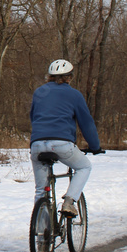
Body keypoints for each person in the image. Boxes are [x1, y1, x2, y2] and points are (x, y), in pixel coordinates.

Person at [29, 59, 102, 217]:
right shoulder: (74, 95)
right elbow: (86, 123)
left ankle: (41, 235)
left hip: (37, 144)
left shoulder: (39, 93)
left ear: (49, 76)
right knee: (84, 167)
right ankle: (69, 201)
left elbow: (33, 117)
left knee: (41, 190)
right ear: (69, 77)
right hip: (62, 144)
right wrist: (95, 146)